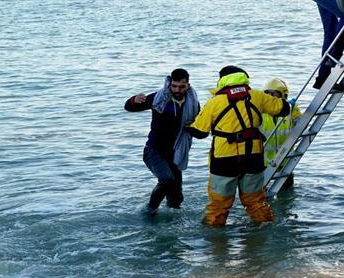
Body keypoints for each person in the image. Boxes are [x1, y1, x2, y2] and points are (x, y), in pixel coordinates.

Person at [185, 66, 291, 226]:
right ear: (243, 78)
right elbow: (284, 109)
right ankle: (262, 238)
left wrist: (187, 126)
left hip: (224, 160)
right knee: (255, 201)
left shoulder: (214, 102)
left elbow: (199, 132)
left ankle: (216, 243)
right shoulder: (258, 96)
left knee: (219, 205)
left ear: (222, 80)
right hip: (253, 157)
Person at [125, 68, 200, 213]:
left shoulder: (193, 104)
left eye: (182, 86)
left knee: (176, 199)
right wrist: (134, 100)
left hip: (175, 153)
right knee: (166, 181)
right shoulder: (159, 98)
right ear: (170, 84)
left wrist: (193, 129)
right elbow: (129, 107)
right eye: (174, 86)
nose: (177, 89)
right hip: (154, 151)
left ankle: (173, 227)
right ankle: (149, 211)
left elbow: (200, 129)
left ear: (188, 86)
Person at [260, 78, 300, 191]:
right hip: (263, 160)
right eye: (266, 93)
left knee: (287, 192)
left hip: (285, 159)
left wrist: (298, 118)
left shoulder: (291, 109)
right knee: (258, 195)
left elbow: (299, 121)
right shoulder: (259, 110)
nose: (270, 96)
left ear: (283, 95)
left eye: (273, 94)